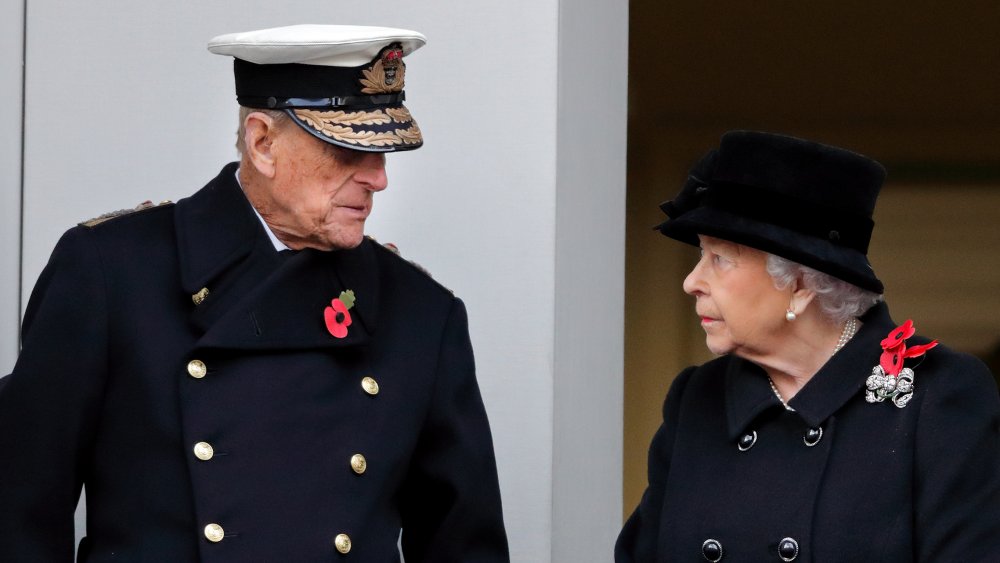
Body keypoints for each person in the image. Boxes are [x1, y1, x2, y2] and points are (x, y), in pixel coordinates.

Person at [0, 25, 509, 562]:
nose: (378, 179)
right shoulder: (112, 272)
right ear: (263, 142)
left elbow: (463, 543)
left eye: (383, 154)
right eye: (348, 151)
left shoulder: (422, 312)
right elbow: (19, 508)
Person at [616, 131, 1000, 562]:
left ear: (798, 285)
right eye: (700, 256)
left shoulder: (939, 395)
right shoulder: (695, 399)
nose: (692, 282)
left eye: (719, 259)